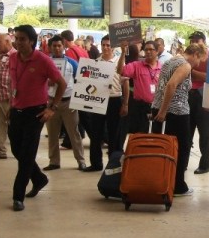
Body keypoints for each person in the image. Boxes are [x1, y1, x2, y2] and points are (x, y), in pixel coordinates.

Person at [8, 25, 66, 212]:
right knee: (17, 150)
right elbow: (14, 85)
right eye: (16, 38)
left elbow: (61, 84)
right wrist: (11, 105)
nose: (18, 42)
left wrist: (52, 108)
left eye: (22, 39)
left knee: (26, 156)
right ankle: (39, 178)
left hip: (36, 113)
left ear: (32, 41)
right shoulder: (13, 58)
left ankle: (18, 196)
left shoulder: (43, 60)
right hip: (16, 111)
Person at [151, 42, 208, 196]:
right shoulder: (185, 65)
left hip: (160, 107)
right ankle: (178, 185)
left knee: (162, 148)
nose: (198, 64)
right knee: (181, 149)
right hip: (176, 112)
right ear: (196, 54)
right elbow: (171, 85)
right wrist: (163, 112)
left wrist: (160, 109)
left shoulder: (171, 60)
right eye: (199, 60)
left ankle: (162, 180)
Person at [81, 35, 128, 173]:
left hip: (115, 100)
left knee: (114, 134)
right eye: (103, 45)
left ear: (112, 47)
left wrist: (125, 103)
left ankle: (113, 164)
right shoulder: (95, 62)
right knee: (96, 133)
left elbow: (125, 83)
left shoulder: (119, 62)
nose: (106, 47)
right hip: (98, 100)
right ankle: (96, 163)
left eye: (108, 45)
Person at [43, 36, 86, 172]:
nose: (57, 48)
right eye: (54, 46)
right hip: (51, 103)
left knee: (74, 133)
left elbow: (80, 80)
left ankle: (81, 161)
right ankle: (54, 161)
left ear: (63, 47)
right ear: (50, 47)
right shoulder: (46, 63)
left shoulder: (72, 63)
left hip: (69, 102)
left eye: (59, 46)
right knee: (52, 134)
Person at [120, 40, 161, 134]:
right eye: (146, 50)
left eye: (151, 49)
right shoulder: (136, 65)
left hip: (156, 107)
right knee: (139, 136)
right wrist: (123, 53)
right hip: (139, 108)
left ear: (157, 51)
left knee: (155, 136)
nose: (148, 52)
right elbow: (121, 71)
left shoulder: (163, 68)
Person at [186, 31, 209, 174]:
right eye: (192, 41)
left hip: (204, 96)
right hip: (189, 94)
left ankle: (204, 165)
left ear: (203, 41)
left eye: (197, 40)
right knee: (186, 131)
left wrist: (193, 72)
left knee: (205, 133)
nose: (194, 43)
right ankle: (183, 162)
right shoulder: (188, 55)